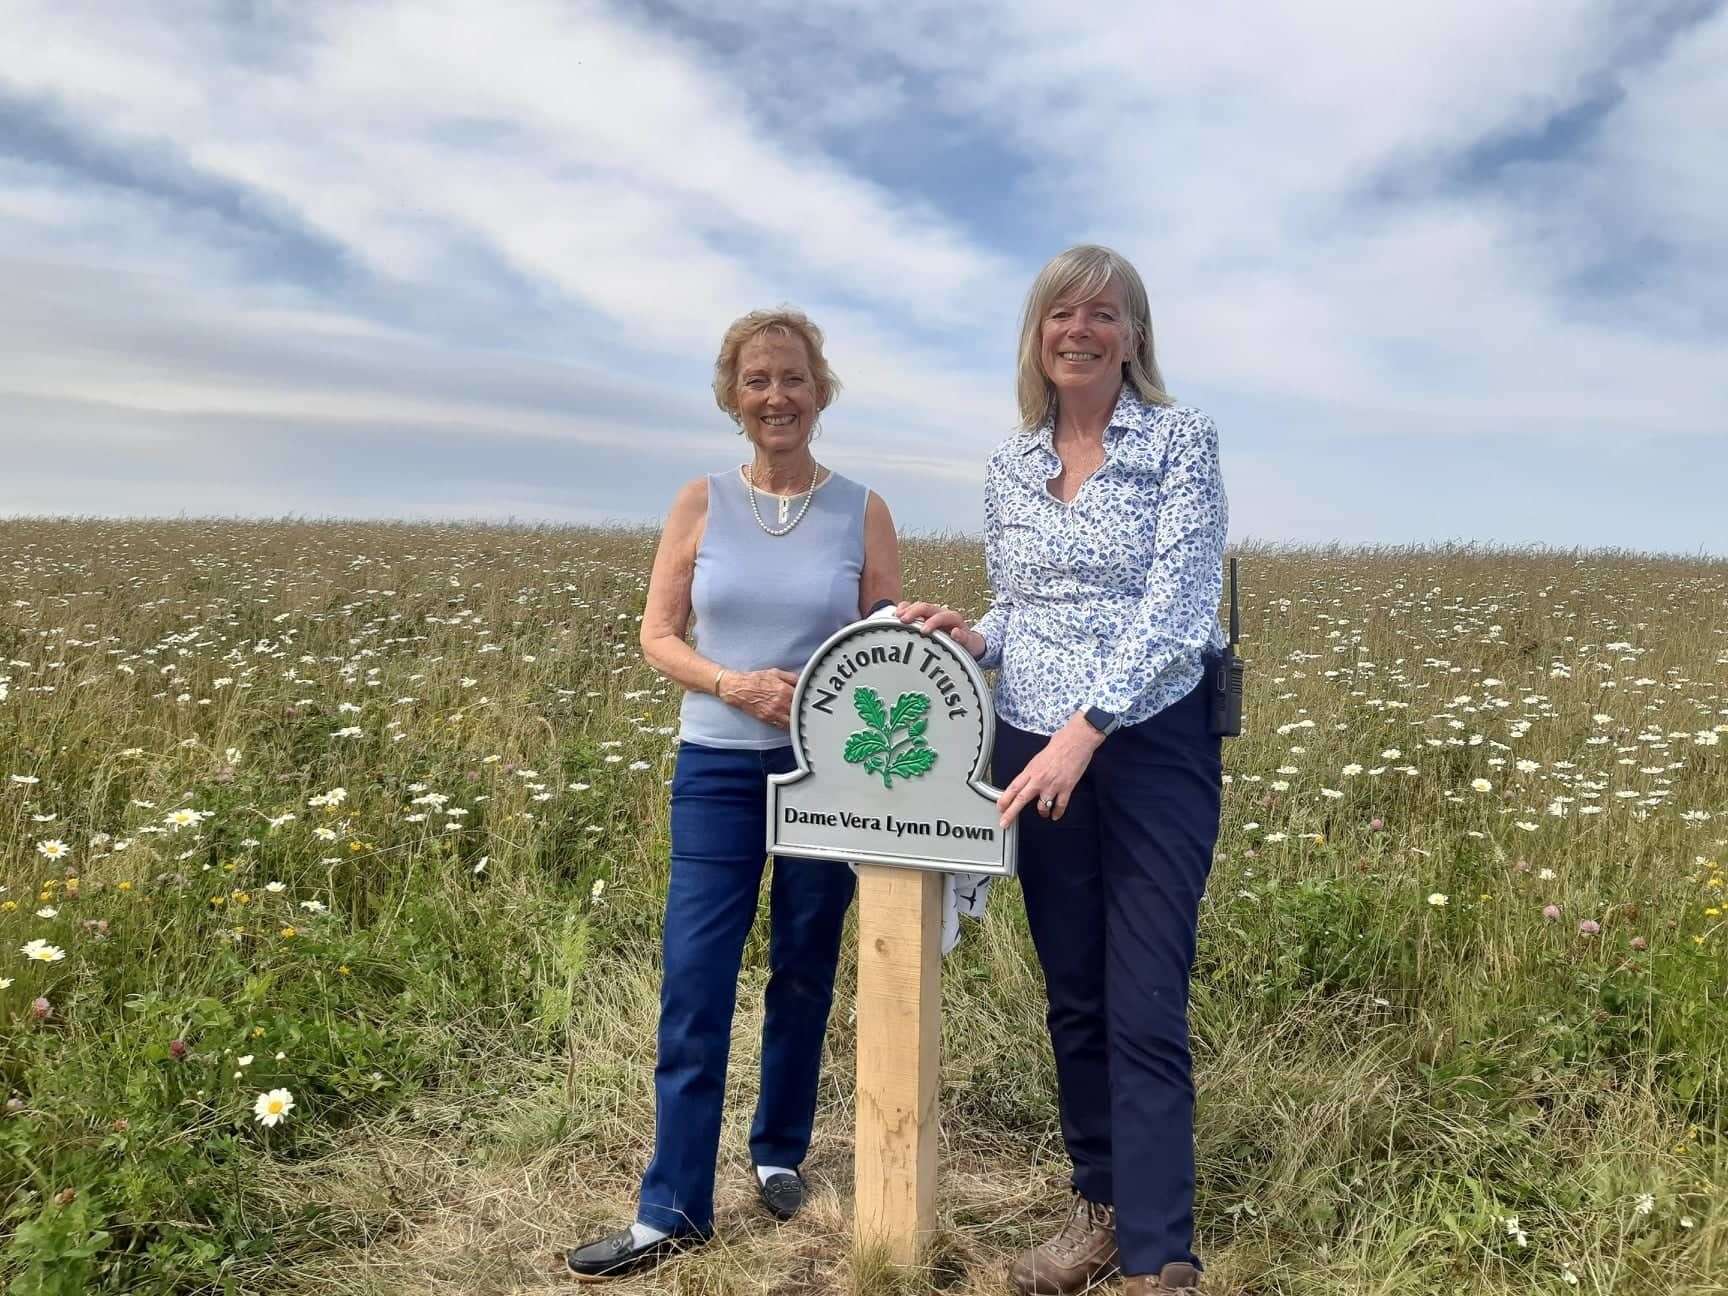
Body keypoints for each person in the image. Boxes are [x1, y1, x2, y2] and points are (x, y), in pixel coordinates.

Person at [898, 245, 1227, 1295]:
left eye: (1104, 314)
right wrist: (976, 636)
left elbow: (1178, 612)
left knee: (1143, 994)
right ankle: (1101, 1210)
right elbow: (1024, 606)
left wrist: (1087, 729)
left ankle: (1158, 1256)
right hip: (1030, 746)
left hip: (1148, 748)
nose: (1080, 330)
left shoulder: (1180, 441)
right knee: (1075, 993)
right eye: (1061, 314)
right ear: (1038, 335)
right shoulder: (1009, 466)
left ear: (1134, 337)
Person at [566, 308, 900, 1281]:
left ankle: (779, 1152)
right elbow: (658, 634)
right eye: (757, 380)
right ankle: (672, 1206)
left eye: (793, 378)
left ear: (819, 390)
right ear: (733, 396)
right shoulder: (699, 503)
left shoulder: (863, 510)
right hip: (714, 767)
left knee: (804, 966)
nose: (776, 397)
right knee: (697, 981)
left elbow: (881, 639)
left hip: (825, 770)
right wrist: (732, 684)